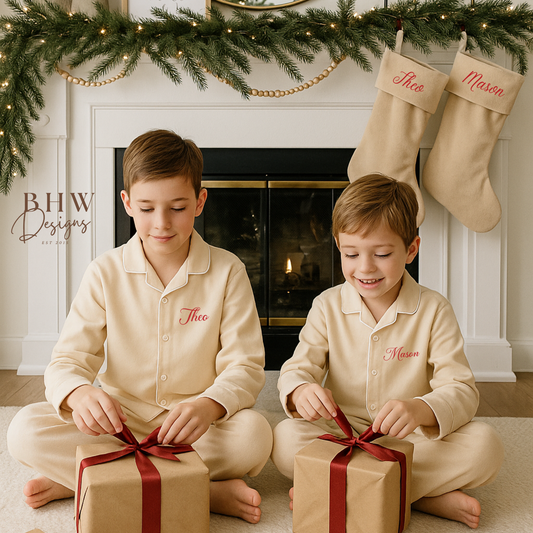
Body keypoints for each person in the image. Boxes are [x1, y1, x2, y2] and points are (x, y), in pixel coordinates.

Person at [7, 129, 273, 524]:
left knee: (255, 435)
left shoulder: (228, 270)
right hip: (120, 424)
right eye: (147, 209)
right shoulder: (104, 272)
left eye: (177, 207)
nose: (161, 224)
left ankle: (89, 478)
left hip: (193, 427)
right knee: (23, 430)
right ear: (127, 204)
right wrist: (80, 395)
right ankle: (201, 490)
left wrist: (209, 404)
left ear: (200, 202)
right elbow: (67, 360)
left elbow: (246, 367)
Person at [271, 173, 504, 530]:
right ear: (337, 246)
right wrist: (301, 390)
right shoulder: (326, 306)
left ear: (411, 249)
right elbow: (297, 369)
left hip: (410, 439)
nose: (365, 268)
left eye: (381, 254)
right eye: (351, 254)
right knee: (285, 440)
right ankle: (418, 495)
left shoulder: (434, 309)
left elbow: (462, 390)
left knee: (485, 447)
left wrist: (421, 408)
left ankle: (338, 486)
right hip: (346, 434)